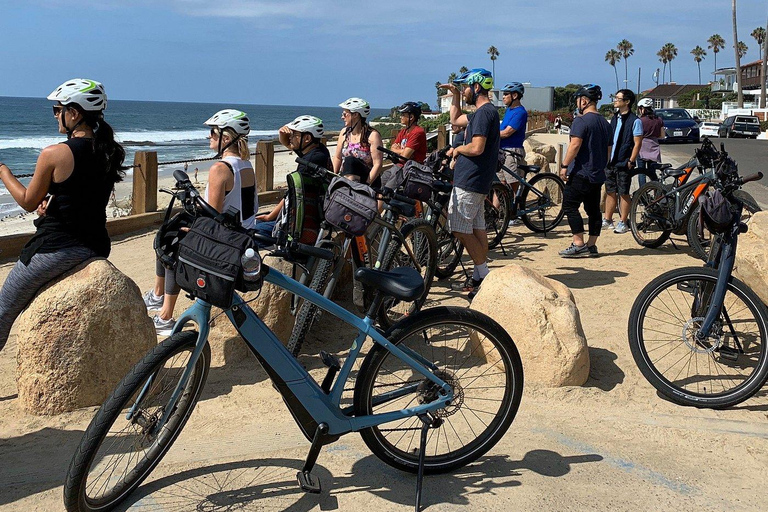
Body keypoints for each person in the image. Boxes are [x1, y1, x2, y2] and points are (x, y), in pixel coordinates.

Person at [0, 79, 125, 350]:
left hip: (59, 247)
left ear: (75, 113)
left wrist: (3, 172)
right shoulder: (109, 151)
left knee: (3, 309)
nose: (56, 115)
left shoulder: (54, 153)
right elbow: (83, 195)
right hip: (95, 243)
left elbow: (27, 202)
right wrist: (53, 206)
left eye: (58, 109)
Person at [145, 109, 256, 335]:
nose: (209, 137)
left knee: (172, 240)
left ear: (226, 138)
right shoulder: (246, 166)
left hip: (225, 240)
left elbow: (210, 219)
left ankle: (165, 314)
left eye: (213, 133)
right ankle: (158, 296)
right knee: (175, 229)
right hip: (243, 235)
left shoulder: (220, 169)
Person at [439, 68, 500, 298]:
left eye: (465, 87)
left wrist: (456, 149)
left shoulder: (484, 114)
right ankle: (478, 275)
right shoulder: (481, 113)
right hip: (476, 180)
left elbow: (476, 147)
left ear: (476, 87)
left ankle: (484, 276)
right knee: (476, 228)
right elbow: (454, 120)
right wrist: (455, 95)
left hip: (470, 181)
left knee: (459, 228)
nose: (464, 91)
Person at [558, 84, 612, 258]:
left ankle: (578, 243)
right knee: (593, 209)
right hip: (597, 173)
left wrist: (564, 165)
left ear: (584, 100)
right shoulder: (605, 122)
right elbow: (609, 150)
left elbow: (575, 144)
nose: (577, 103)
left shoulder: (580, 121)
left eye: (578, 99)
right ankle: (592, 245)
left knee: (570, 205)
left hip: (581, 171)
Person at [258, 115, 333, 235]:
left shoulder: (310, 162)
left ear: (307, 138)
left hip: (301, 221)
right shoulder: (319, 150)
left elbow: (291, 194)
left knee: (254, 231)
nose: (290, 138)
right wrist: (282, 135)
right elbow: (290, 145)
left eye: (294, 135)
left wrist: (270, 216)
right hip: (314, 212)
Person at [603, 89, 643, 234]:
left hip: (624, 162)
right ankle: (607, 219)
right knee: (610, 191)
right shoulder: (615, 118)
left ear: (627, 102)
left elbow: (637, 143)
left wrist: (631, 160)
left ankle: (623, 221)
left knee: (624, 192)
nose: (615, 100)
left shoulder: (635, 121)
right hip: (611, 162)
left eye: (618, 98)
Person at [332, 98, 383, 188]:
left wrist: (366, 185)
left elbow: (377, 164)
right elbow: (338, 158)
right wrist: (332, 178)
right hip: (346, 178)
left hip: (367, 181)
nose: (342, 117)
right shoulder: (344, 133)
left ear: (355, 114)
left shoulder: (372, 136)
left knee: (350, 160)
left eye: (345, 114)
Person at [382, 102, 427, 189]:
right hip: (399, 166)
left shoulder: (418, 132)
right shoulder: (403, 131)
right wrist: (403, 151)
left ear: (411, 117)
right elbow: (392, 148)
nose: (400, 117)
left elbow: (405, 156)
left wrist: (401, 151)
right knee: (381, 181)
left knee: (387, 191)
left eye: (403, 115)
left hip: (411, 169)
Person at [498, 82, 528, 190]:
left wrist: (490, 134)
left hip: (512, 152)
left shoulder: (520, 112)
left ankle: (517, 206)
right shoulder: (509, 110)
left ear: (514, 96)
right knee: (501, 185)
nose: (503, 97)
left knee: (513, 184)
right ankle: (499, 207)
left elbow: (507, 132)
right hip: (501, 151)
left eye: (506, 94)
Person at [636, 97, 664, 187]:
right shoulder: (659, 120)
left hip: (641, 146)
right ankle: (657, 191)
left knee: (641, 172)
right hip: (654, 146)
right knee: (652, 171)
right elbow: (662, 135)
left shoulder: (639, 121)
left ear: (642, 109)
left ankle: (642, 193)